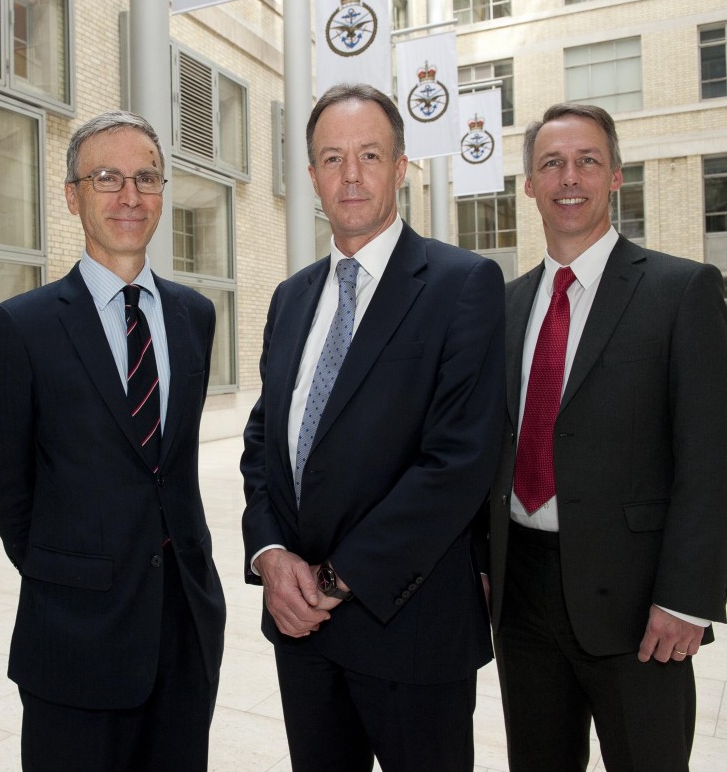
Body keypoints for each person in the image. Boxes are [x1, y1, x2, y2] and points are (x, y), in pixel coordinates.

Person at [240, 82, 505, 771]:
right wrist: (270, 555)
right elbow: (264, 442)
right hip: (301, 634)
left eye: (368, 154)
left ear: (400, 167)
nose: (350, 174)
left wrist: (330, 583)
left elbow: (457, 463)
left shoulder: (462, 284)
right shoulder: (291, 296)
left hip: (409, 632)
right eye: (331, 158)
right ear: (310, 177)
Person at [0, 110, 226, 771]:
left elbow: (168, 467)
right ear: (71, 195)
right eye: (106, 177)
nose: (129, 196)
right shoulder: (21, 326)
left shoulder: (194, 316)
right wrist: (65, 566)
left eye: (146, 178)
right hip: (73, 634)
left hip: (184, 625)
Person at [486, 103, 727, 772]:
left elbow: (709, 457)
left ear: (616, 175)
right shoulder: (502, 304)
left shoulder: (682, 291)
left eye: (587, 161)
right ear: (528, 183)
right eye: (551, 163)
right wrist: (482, 562)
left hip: (639, 603)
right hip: (523, 595)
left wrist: (687, 600)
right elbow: (492, 446)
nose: (570, 177)